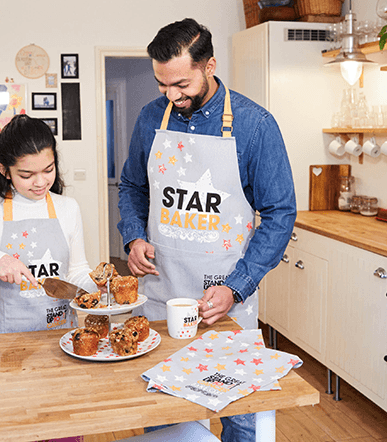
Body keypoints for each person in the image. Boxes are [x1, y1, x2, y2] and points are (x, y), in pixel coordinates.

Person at [117, 18, 296, 441]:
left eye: (181, 84)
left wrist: (237, 286)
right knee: (164, 408)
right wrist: (133, 234)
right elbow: (131, 186)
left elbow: (280, 212)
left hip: (227, 297)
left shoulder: (255, 126)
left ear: (209, 65)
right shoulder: (150, 119)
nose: (172, 95)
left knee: (240, 413)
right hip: (163, 294)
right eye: (163, 85)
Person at [0, 114, 99, 335]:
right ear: (4, 170)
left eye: (48, 170)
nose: (40, 183)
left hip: (61, 335)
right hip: (5, 341)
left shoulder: (68, 208)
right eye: (27, 175)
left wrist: (97, 284)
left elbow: (75, 271)